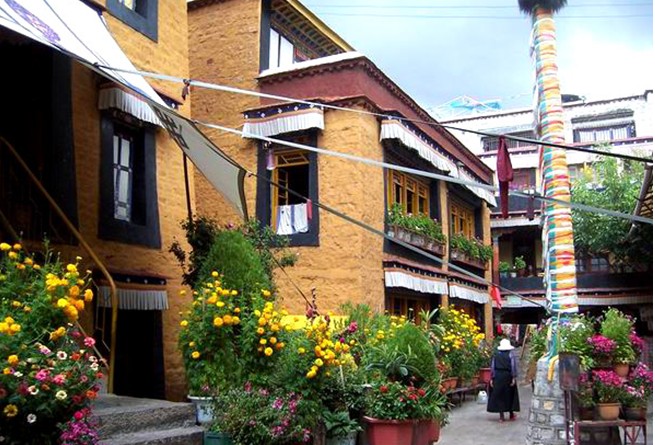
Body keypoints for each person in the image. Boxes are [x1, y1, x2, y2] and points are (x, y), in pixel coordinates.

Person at [487, 338, 520, 422]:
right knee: (510, 394)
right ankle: (511, 414)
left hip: (498, 376)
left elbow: (493, 368)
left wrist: (492, 378)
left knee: (499, 395)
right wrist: (513, 377)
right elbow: (513, 366)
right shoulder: (510, 355)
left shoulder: (496, 356)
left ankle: (501, 417)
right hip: (507, 376)